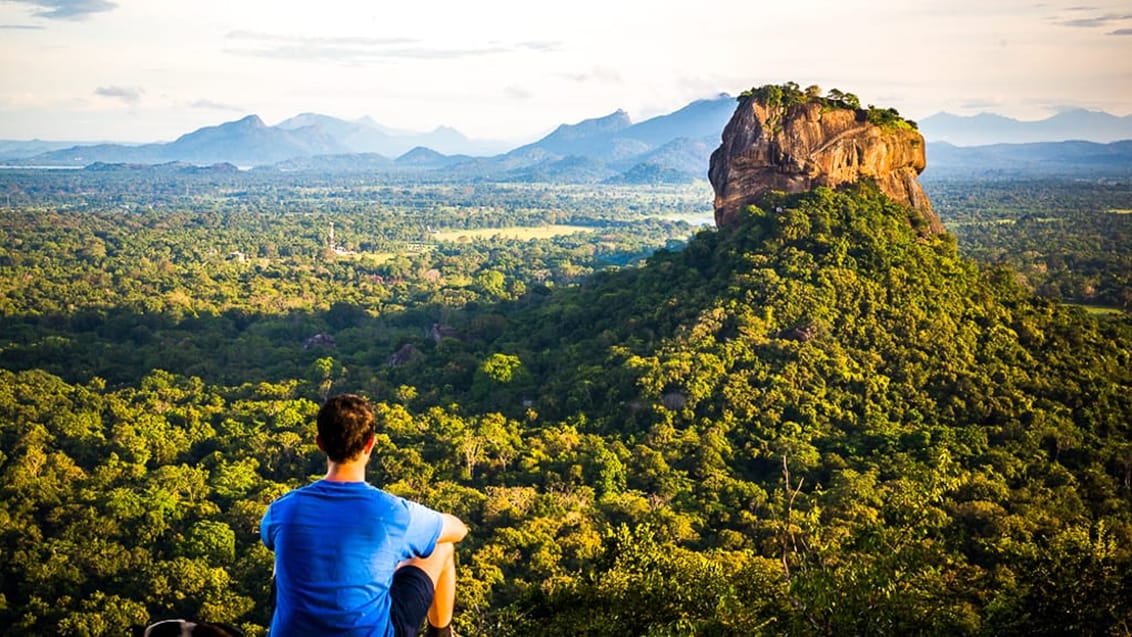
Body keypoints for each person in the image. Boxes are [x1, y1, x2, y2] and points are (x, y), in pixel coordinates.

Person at [261, 394, 468, 637]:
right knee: (441, 546)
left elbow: (272, 543)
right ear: (371, 444)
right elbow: (459, 530)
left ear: (320, 443)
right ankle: (442, 634)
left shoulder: (283, 509)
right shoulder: (392, 513)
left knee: (284, 549)